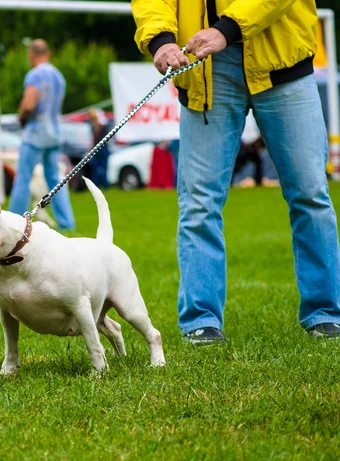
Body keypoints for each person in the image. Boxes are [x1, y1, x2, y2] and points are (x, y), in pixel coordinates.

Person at [133, 0, 340, 342]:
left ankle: (326, 314)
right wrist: (161, 39)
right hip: (205, 68)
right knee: (198, 203)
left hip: (281, 59)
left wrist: (226, 29)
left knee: (311, 194)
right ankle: (201, 321)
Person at [8, 39, 75, 230]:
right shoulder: (58, 76)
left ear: (32, 54)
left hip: (36, 133)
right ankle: (67, 222)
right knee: (56, 180)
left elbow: (29, 103)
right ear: (49, 53)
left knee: (23, 178)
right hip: (54, 133)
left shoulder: (35, 75)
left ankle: (14, 221)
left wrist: (21, 117)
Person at [88, 108, 110, 189]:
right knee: (96, 169)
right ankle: (97, 185)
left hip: (102, 150)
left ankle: (104, 185)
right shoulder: (94, 126)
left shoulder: (102, 127)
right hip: (97, 151)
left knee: (102, 169)